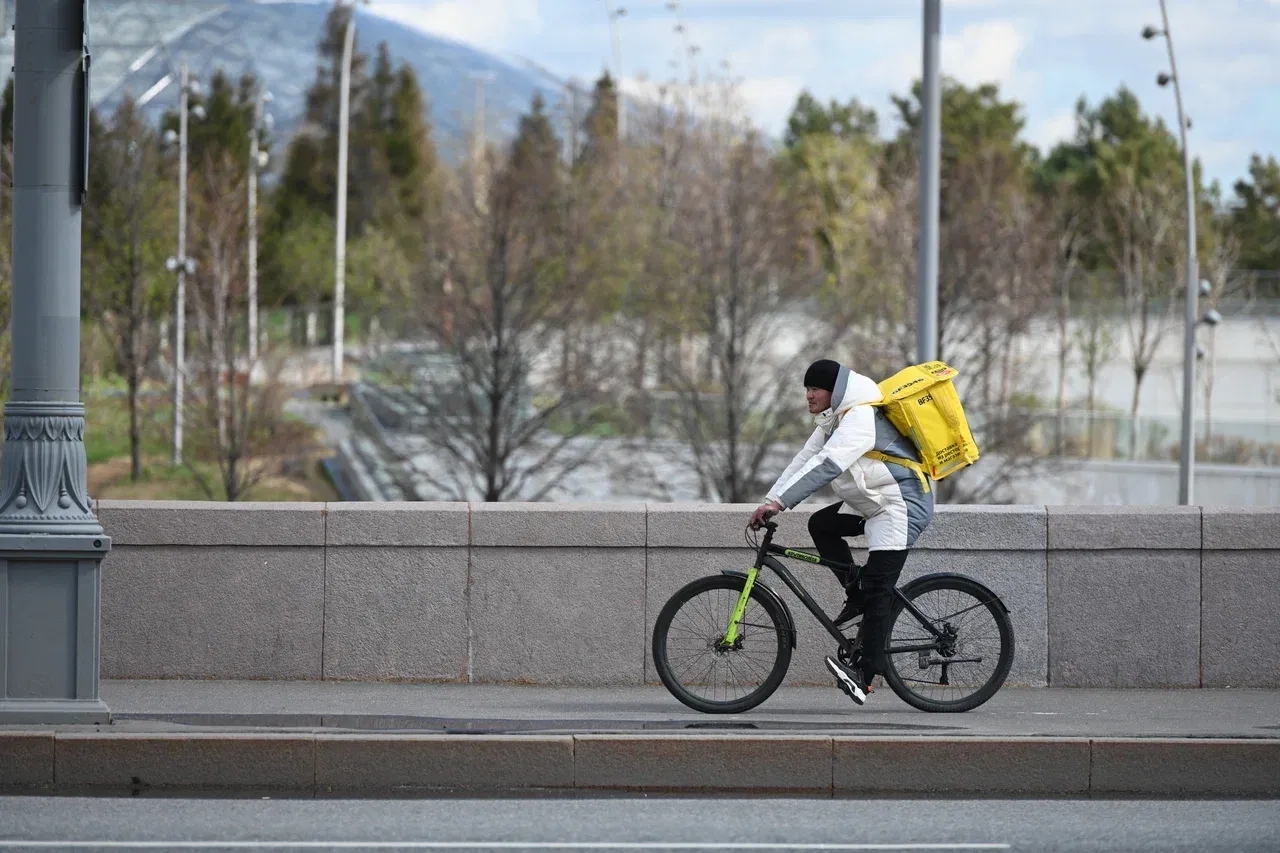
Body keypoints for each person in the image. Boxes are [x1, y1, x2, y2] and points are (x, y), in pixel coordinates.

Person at [749, 358, 934, 705]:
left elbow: (828, 464)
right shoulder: (834, 419)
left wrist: (779, 505)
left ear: (835, 391)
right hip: (874, 503)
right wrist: (771, 499)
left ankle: (864, 676)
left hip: (900, 506)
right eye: (806, 389)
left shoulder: (860, 417)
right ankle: (856, 594)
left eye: (814, 388)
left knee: (880, 590)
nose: (808, 395)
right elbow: (805, 459)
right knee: (821, 524)